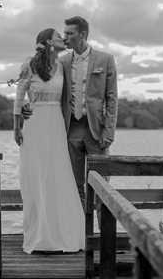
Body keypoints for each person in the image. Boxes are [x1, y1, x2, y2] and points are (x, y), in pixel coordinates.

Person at [14, 28, 85, 254]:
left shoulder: (63, 66)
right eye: (57, 37)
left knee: (58, 175)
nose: (62, 39)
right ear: (47, 42)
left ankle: (63, 231)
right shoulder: (30, 65)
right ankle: (39, 235)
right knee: (36, 175)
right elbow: (19, 95)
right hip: (34, 124)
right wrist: (17, 126)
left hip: (56, 124)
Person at [61, 16, 118, 223]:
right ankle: (81, 234)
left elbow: (112, 98)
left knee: (101, 183)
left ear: (82, 34)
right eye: (65, 33)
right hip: (71, 130)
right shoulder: (63, 61)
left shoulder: (105, 59)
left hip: (97, 130)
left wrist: (109, 131)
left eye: (69, 33)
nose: (65, 37)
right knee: (75, 185)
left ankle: (105, 236)